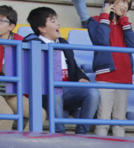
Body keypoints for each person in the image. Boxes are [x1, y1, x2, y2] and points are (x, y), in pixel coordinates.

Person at [24, 7, 98, 135]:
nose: (58, 24)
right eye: (53, 21)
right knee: (55, 91)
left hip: (68, 90)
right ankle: (59, 133)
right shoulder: (33, 44)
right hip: (45, 94)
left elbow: (73, 66)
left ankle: (81, 133)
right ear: (42, 28)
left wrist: (82, 78)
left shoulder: (63, 43)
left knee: (92, 92)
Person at [90, 0, 134, 138]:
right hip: (106, 76)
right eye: (121, 2)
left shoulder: (125, 24)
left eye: (127, 3)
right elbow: (101, 41)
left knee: (120, 121)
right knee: (103, 120)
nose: (124, 6)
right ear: (110, 3)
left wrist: (125, 22)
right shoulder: (95, 21)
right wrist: (105, 17)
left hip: (124, 76)